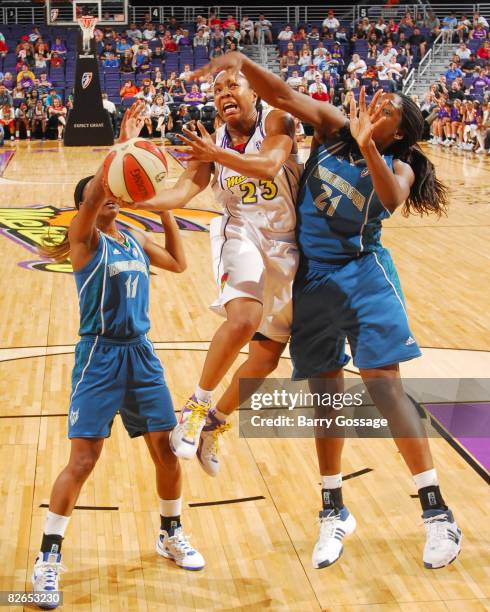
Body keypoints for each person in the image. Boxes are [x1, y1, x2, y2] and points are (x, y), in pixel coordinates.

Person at [189, 52, 462, 572]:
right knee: (326, 397)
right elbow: (284, 97)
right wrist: (244, 65)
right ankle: (333, 509)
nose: (373, 106)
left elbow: (390, 198)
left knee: (384, 385)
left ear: (397, 132)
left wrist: (368, 149)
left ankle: (437, 513)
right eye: (375, 100)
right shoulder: (335, 127)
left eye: (386, 110)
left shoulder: (398, 165)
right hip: (311, 278)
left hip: (362, 276)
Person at [31, 102, 204, 606]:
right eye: (100, 196)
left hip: (142, 356)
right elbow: (97, 192)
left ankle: (170, 532)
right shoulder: (83, 241)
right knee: (83, 459)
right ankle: (49, 558)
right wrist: (121, 149)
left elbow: (177, 262)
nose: (108, 200)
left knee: (167, 451)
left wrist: (163, 202)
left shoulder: (131, 237)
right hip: (99, 358)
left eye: (111, 196)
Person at [132, 69, 303, 477]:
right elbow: (182, 191)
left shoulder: (277, 119)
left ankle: (217, 421)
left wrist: (214, 155)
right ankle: (196, 407)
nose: (224, 93)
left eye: (232, 86)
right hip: (239, 232)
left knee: (266, 359)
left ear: (252, 92)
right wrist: (134, 198)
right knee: (243, 318)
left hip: (287, 245)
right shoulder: (212, 139)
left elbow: (267, 165)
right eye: (217, 89)